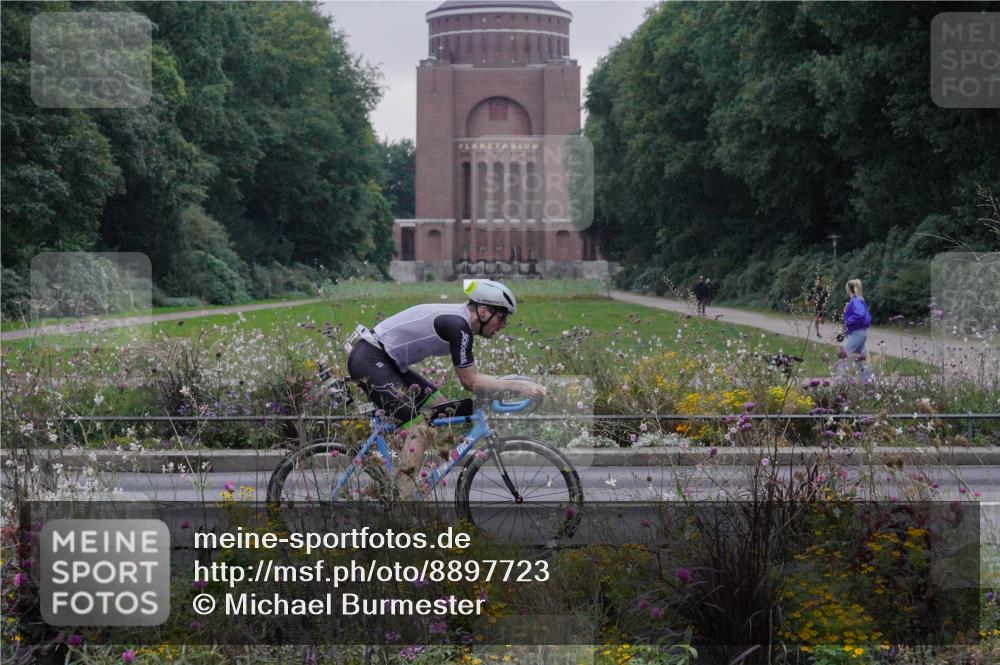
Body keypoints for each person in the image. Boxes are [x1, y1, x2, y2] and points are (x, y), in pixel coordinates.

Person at [346, 279, 546, 496]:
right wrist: (518, 386)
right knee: (419, 427)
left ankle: (390, 480)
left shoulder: (461, 325)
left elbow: (476, 379)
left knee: (441, 407)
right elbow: (470, 382)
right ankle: (403, 501)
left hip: (388, 362)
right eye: (502, 317)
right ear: (484, 311)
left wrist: (513, 383)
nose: (504, 324)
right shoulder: (458, 327)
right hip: (370, 358)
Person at [836, 278, 873, 384]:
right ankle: (867, 382)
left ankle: (840, 383)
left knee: (843, 356)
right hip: (861, 333)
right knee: (859, 359)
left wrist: (847, 322)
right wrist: (845, 330)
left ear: (849, 289)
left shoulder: (855, 301)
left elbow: (860, 315)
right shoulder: (860, 300)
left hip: (857, 333)